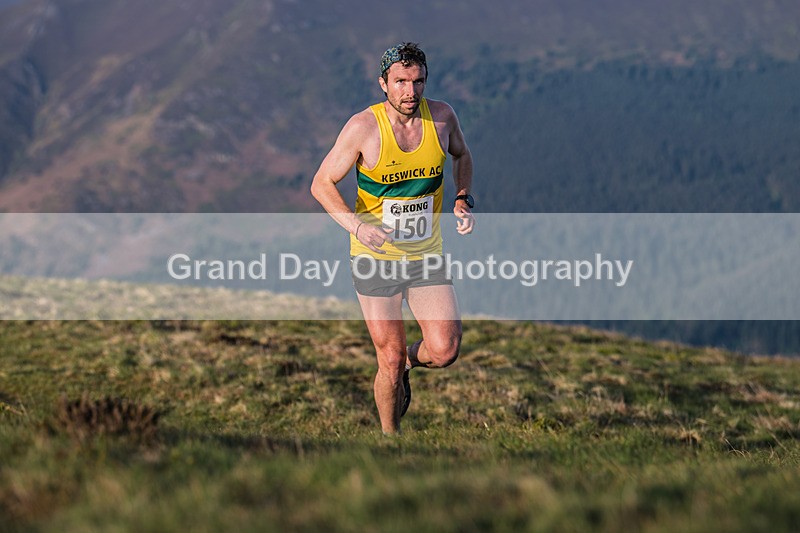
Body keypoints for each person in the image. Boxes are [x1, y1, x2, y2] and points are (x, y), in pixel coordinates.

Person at [310, 42, 475, 434]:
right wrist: (357, 227)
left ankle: (408, 363)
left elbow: (462, 156)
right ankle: (390, 442)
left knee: (445, 350)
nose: (410, 91)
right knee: (387, 355)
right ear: (383, 83)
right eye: (400, 81)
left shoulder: (442, 118)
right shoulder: (363, 128)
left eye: (417, 82)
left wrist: (463, 197)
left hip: (425, 256)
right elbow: (321, 183)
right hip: (375, 257)